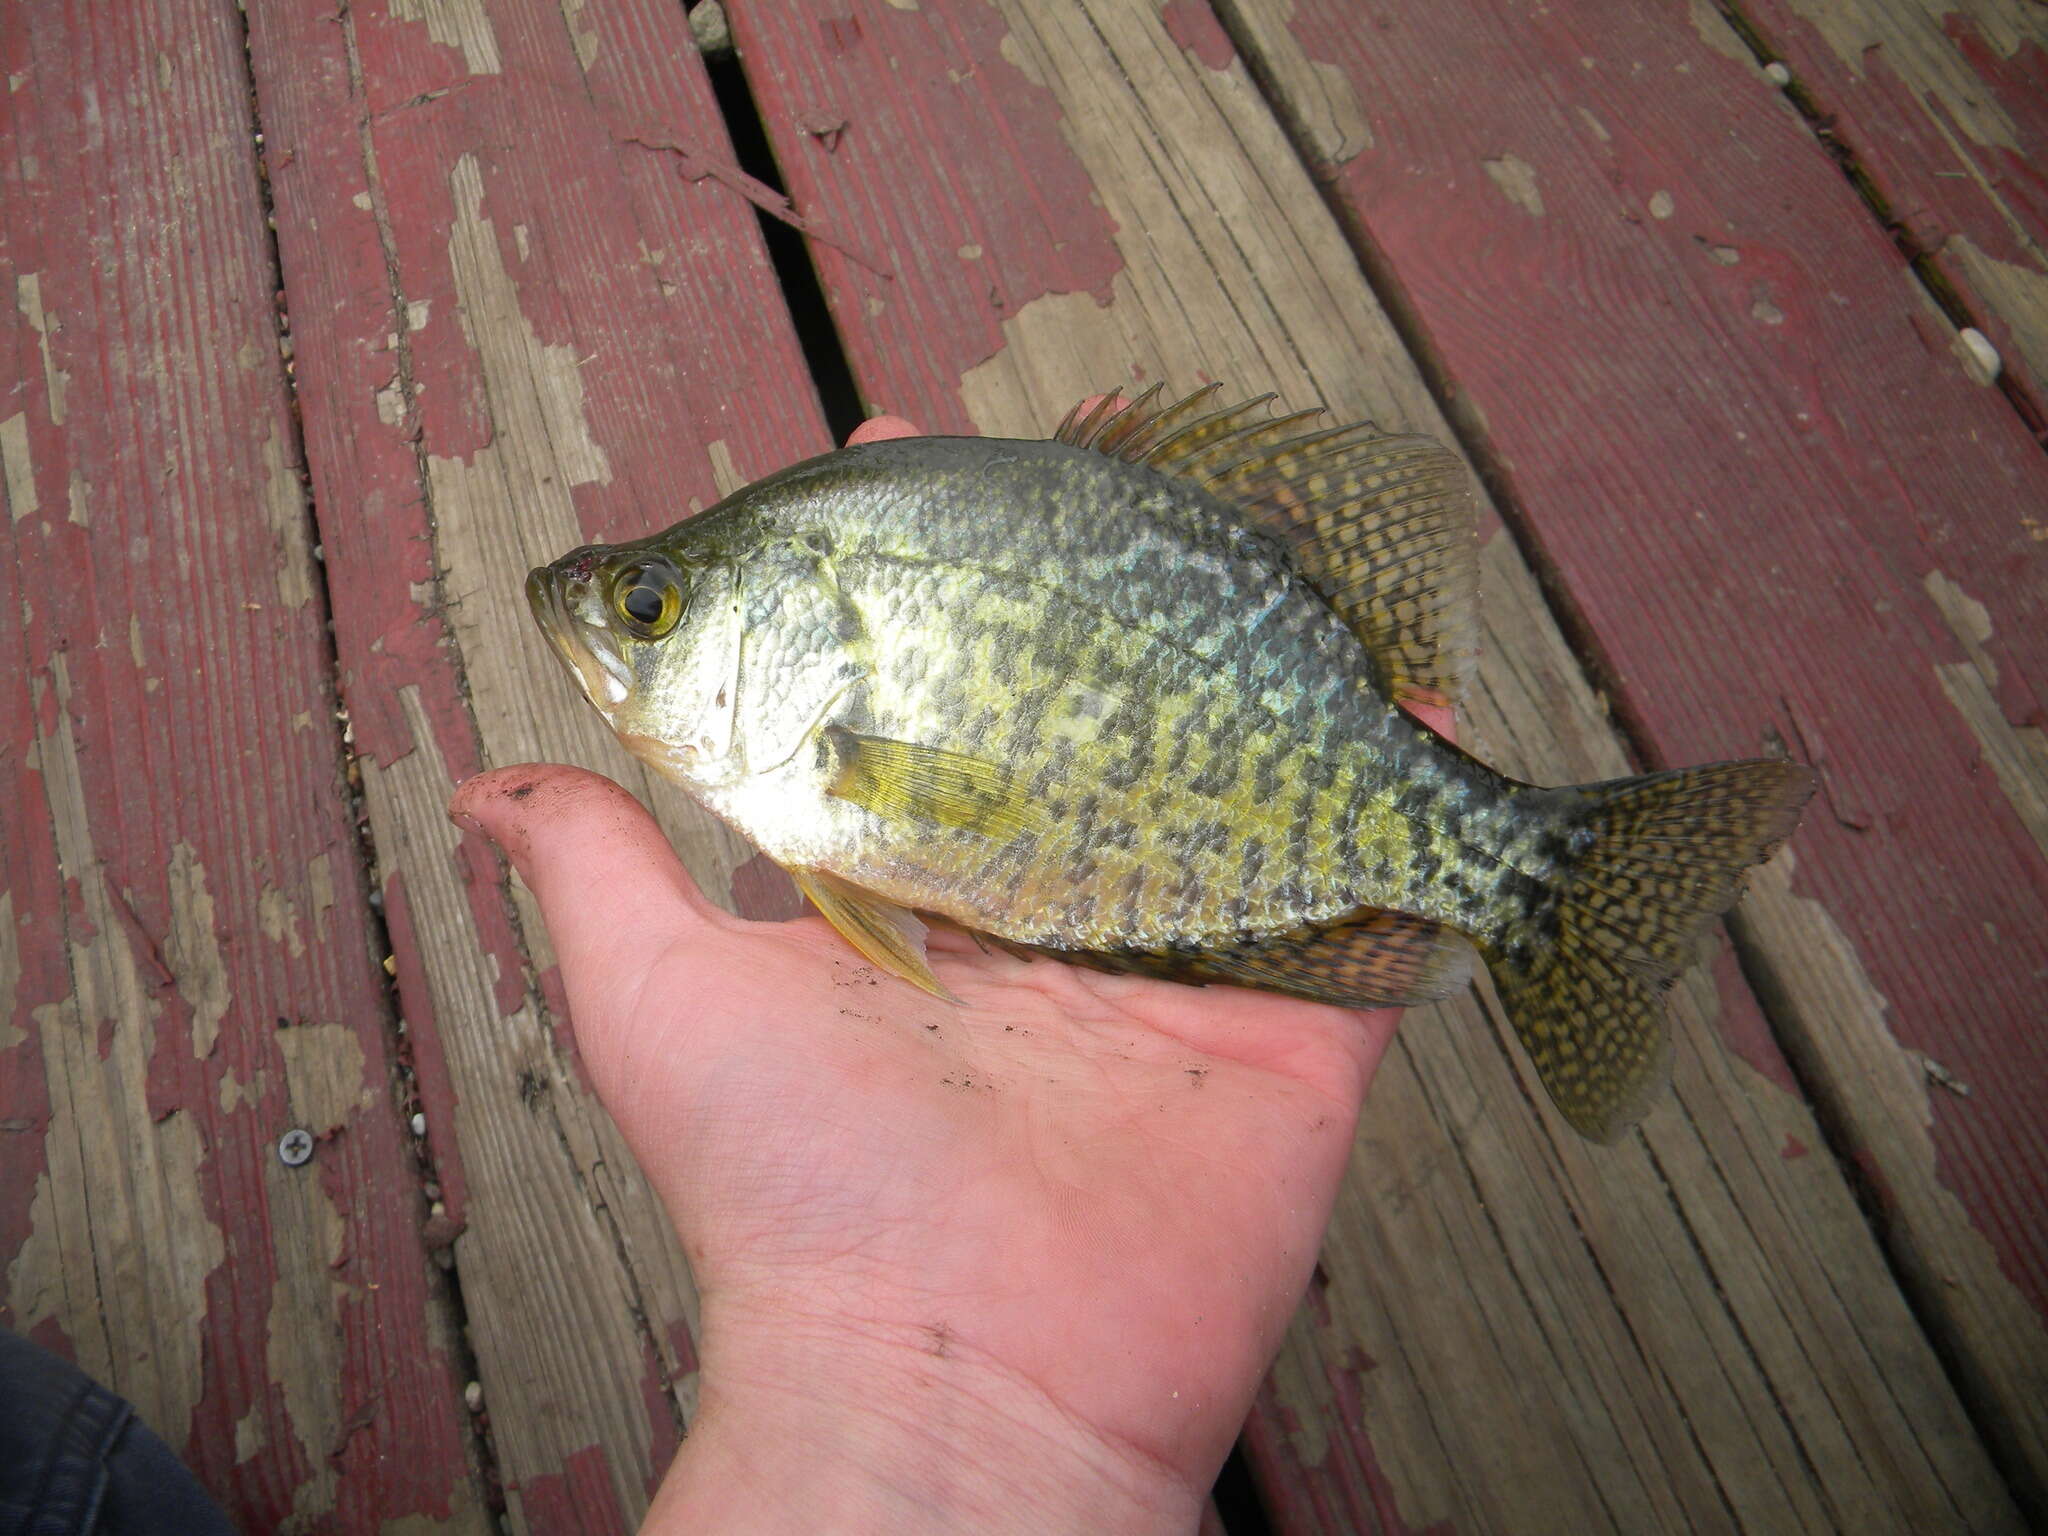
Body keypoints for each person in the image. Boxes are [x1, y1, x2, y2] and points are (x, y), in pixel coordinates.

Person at [448, 409, 1453, 1532]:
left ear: (802, 624)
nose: (622, 621)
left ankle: (1485, 860)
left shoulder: (837, 748)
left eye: (650, 606)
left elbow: (971, 806)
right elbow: (968, 809)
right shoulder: (827, 743)